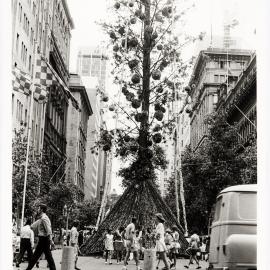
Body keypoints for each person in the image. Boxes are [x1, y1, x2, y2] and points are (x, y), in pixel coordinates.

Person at [26, 203, 56, 270]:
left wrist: (51, 241)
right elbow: (33, 226)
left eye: (38, 208)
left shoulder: (44, 218)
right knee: (40, 256)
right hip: (42, 240)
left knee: (45, 256)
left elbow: (48, 231)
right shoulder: (41, 219)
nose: (37, 210)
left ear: (41, 210)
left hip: (44, 240)